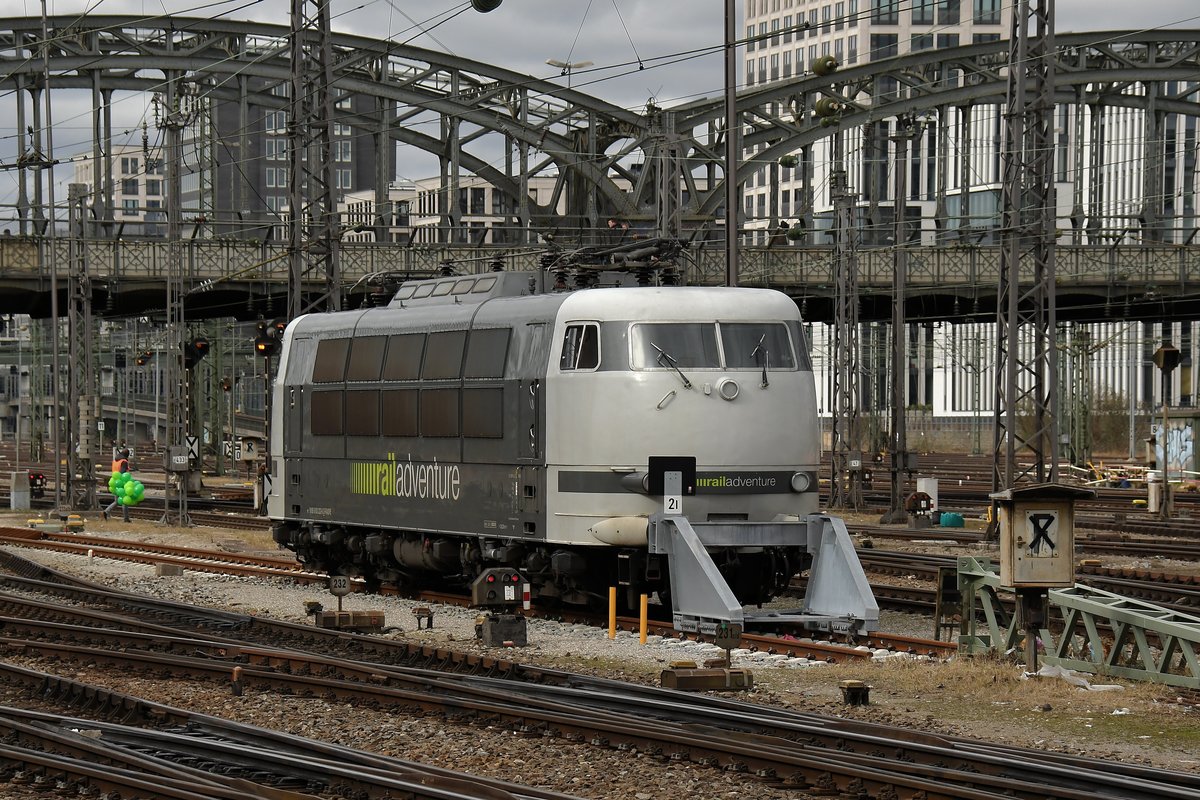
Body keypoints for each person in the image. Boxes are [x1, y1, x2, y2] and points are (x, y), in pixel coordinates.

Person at [103, 447, 131, 522]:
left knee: (117, 501)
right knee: (124, 500)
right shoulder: (124, 461)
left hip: (114, 482)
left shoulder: (115, 460)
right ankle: (126, 519)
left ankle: (106, 511)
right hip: (121, 483)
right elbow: (122, 472)